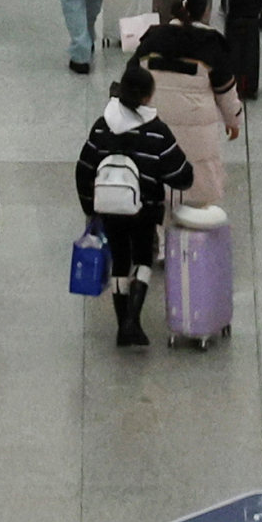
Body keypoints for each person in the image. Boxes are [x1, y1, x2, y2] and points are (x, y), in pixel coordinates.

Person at [74, 56, 196, 351]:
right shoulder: (156, 130)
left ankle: (122, 325)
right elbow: (180, 174)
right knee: (143, 259)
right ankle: (132, 320)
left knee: (119, 261)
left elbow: (83, 168)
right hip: (144, 209)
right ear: (146, 97)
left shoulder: (103, 125)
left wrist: (91, 207)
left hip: (109, 210)